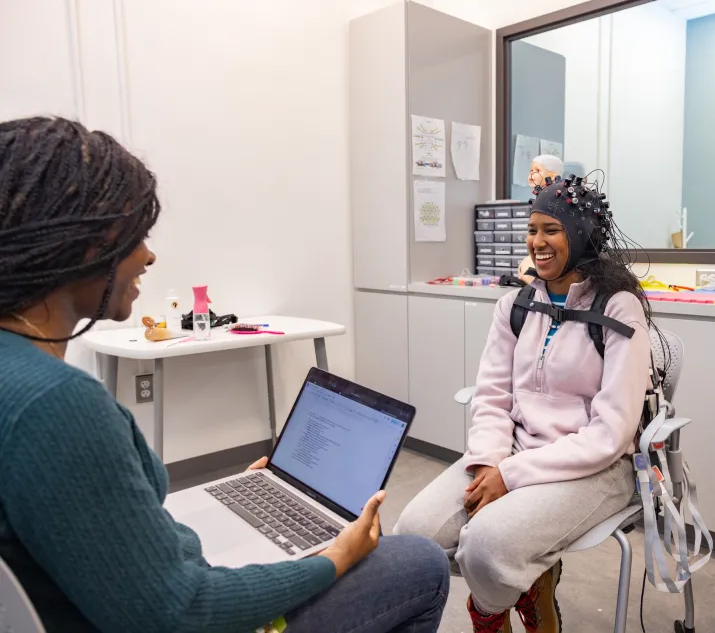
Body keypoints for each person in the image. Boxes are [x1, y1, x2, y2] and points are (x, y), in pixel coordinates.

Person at [0, 117, 449, 633]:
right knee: (421, 563)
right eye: (136, 236)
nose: (148, 255)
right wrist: (333, 560)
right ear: (80, 244)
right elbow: (183, 612)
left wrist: (232, 494)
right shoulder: (57, 405)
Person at [395, 173, 654, 632]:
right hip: (513, 450)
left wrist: (510, 477)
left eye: (550, 230)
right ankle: (528, 586)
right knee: (415, 536)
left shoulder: (619, 306)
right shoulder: (514, 306)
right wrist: (488, 463)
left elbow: (611, 433)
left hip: (595, 467)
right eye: (532, 229)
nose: (537, 241)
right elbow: (492, 397)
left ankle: (497, 610)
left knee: (486, 547)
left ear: (580, 235)